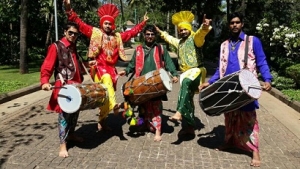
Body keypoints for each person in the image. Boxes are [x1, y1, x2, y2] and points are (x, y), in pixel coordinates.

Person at [199, 12, 272, 167]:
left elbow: (262, 61)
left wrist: (267, 79)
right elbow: (220, 68)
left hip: (246, 88)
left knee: (249, 119)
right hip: (228, 87)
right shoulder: (224, 45)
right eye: (232, 23)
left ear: (242, 24)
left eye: (237, 22)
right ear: (229, 25)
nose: (234, 25)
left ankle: (254, 150)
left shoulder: (253, 41)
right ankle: (229, 141)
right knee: (230, 118)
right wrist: (211, 82)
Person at [63, 0, 149, 131]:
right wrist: (69, 10)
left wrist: (142, 23)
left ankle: (102, 121)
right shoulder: (95, 33)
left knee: (105, 97)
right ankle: (114, 106)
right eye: (106, 23)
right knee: (107, 80)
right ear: (102, 24)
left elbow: (131, 33)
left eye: (110, 23)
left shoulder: (117, 37)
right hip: (98, 70)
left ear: (113, 25)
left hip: (112, 71)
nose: (108, 25)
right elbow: (79, 24)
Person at [118, 24, 179, 141]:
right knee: (142, 107)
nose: (150, 36)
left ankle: (157, 130)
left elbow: (169, 62)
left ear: (155, 36)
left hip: (157, 83)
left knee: (156, 108)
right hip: (141, 84)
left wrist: (174, 74)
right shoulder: (138, 49)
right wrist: (125, 71)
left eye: (152, 34)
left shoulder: (161, 48)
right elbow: (132, 64)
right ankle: (143, 125)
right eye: (147, 34)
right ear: (144, 35)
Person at [155, 11, 212, 135]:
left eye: (184, 30)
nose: (182, 32)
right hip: (186, 73)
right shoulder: (179, 43)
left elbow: (200, 35)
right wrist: (160, 32)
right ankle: (190, 126)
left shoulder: (195, 39)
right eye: (180, 30)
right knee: (187, 99)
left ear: (189, 29)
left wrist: (205, 27)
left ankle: (179, 112)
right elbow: (169, 38)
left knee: (185, 83)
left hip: (197, 72)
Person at [40, 22, 85, 158]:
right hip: (64, 86)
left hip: (75, 85)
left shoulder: (73, 46)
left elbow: (75, 64)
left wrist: (89, 65)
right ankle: (62, 144)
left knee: (74, 114)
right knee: (64, 116)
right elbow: (47, 65)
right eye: (70, 32)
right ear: (65, 32)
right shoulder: (56, 46)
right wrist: (45, 81)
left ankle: (71, 134)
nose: (73, 35)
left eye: (75, 34)